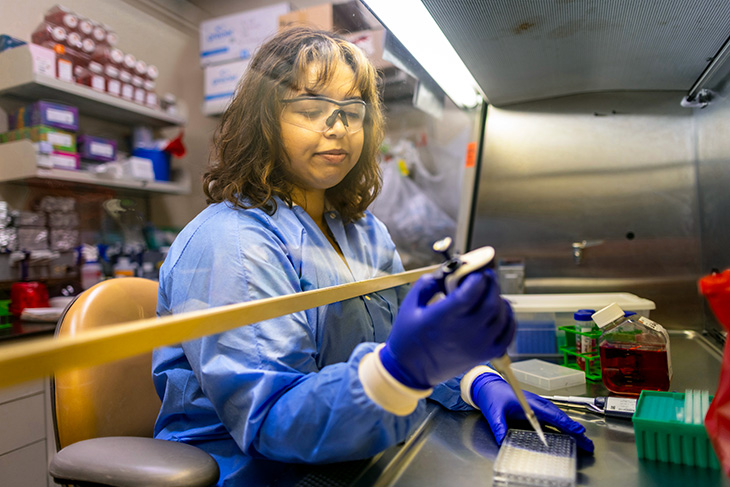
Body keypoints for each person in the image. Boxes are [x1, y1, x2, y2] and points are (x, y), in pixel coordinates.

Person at [152, 27, 593, 487]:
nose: (338, 126)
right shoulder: (234, 243)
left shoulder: (363, 231)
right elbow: (272, 420)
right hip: (257, 475)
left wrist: (475, 380)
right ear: (262, 121)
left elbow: (406, 342)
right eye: (310, 109)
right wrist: (399, 373)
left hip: (351, 458)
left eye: (351, 111)